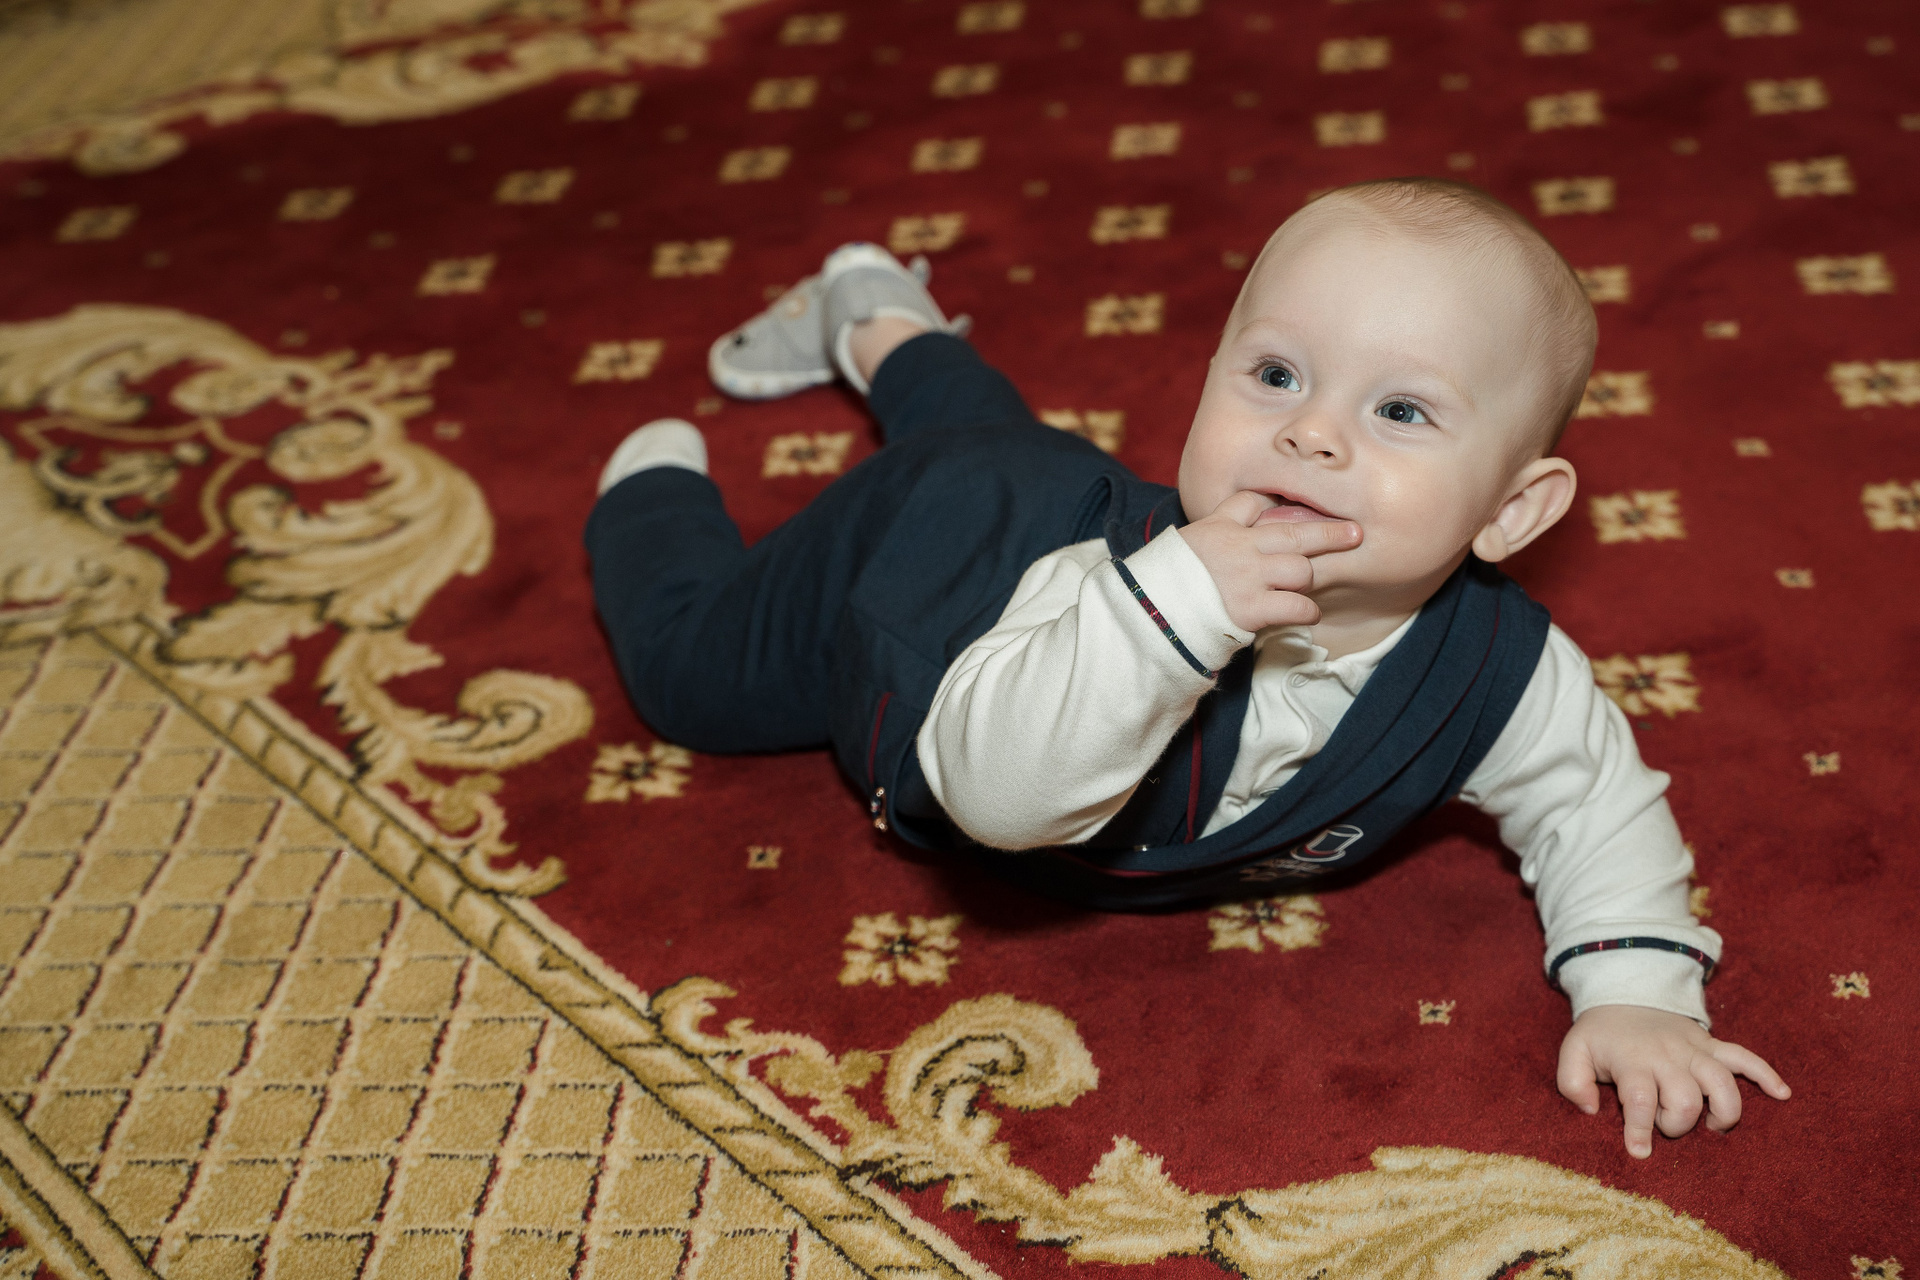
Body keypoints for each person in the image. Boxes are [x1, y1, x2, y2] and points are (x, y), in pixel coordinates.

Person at [585, 177, 1790, 1157]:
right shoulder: (1106, 589)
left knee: (997, 434)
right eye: (1275, 375)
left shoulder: (1502, 670)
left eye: (1401, 412)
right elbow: (996, 800)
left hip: (1031, 473)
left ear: (1513, 510)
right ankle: (647, 488)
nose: (1310, 430)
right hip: (922, 560)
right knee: (694, 675)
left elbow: (1592, 802)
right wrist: (1173, 615)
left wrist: (1637, 989)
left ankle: (876, 314)